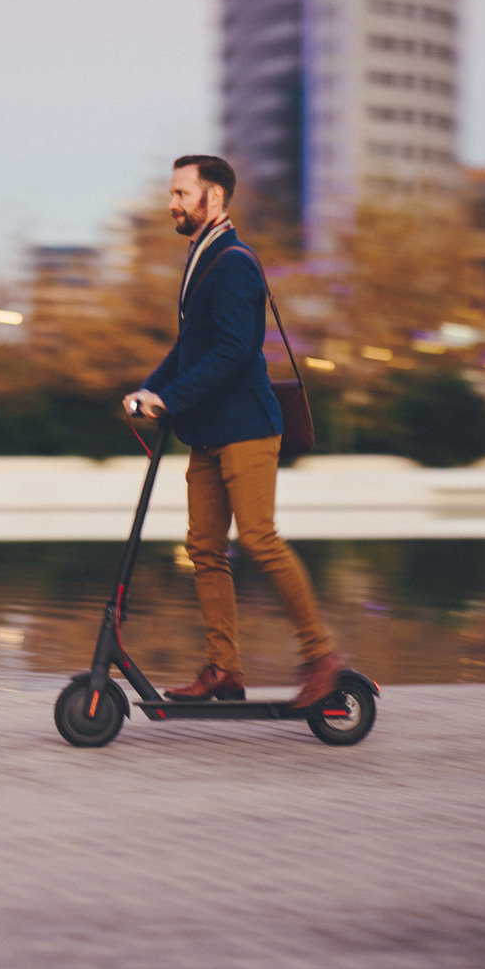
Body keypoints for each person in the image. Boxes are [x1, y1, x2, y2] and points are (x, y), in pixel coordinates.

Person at [123, 155, 343, 706]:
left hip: (245, 427)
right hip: (207, 432)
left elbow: (233, 351)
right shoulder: (204, 257)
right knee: (203, 547)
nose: (171, 203)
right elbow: (190, 347)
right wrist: (149, 389)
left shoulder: (234, 261)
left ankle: (321, 656)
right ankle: (224, 669)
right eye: (171, 193)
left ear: (213, 198)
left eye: (181, 193)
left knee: (259, 539)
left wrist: (168, 398)